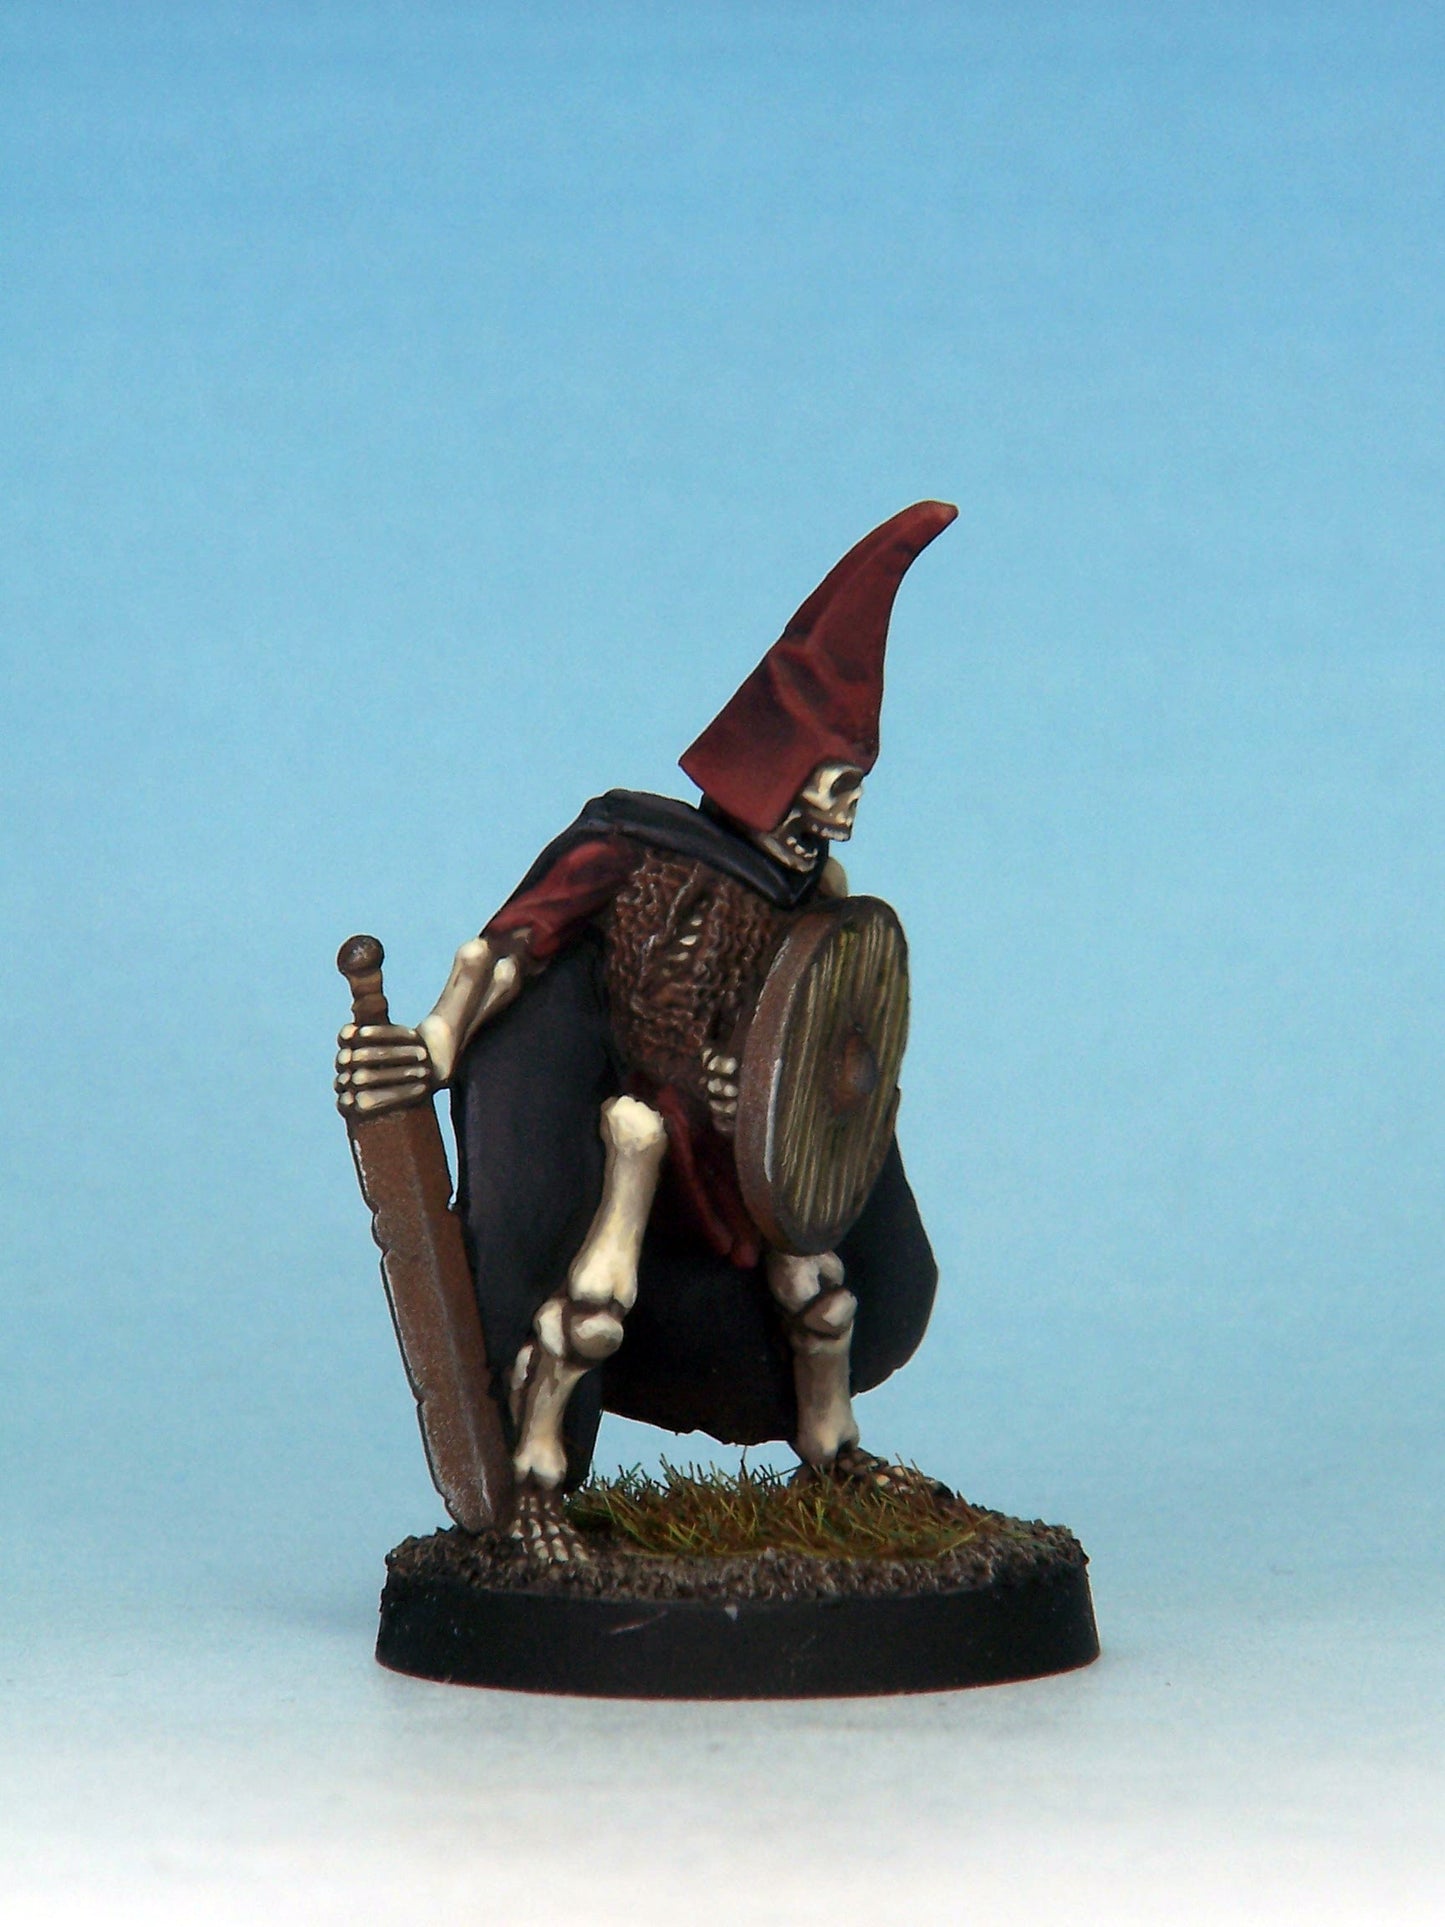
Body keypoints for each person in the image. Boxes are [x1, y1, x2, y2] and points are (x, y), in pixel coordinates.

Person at [336, 501, 956, 1559]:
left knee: (817, 1283)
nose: (843, 817)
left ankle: (830, 1444)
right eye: (833, 787)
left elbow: (816, 1020)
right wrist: (432, 1046)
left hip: (751, 1145)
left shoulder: (817, 896)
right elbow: (512, 945)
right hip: (642, 1124)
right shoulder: (632, 848)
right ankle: (537, 1479)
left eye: (855, 790)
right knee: (595, 1285)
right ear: (776, 764)